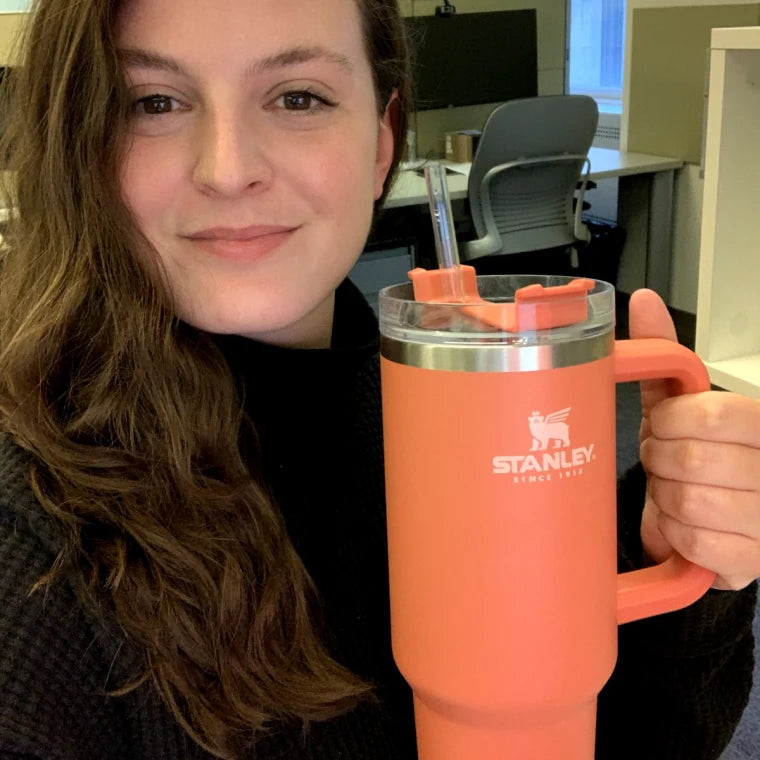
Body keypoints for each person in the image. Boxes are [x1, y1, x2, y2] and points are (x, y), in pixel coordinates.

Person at [0, 0, 757, 759]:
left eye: (299, 98)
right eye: (153, 103)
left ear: (381, 142)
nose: (228, 170)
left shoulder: (429, 408)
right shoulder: (29, 536)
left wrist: (671, 562)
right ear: (81, 143)